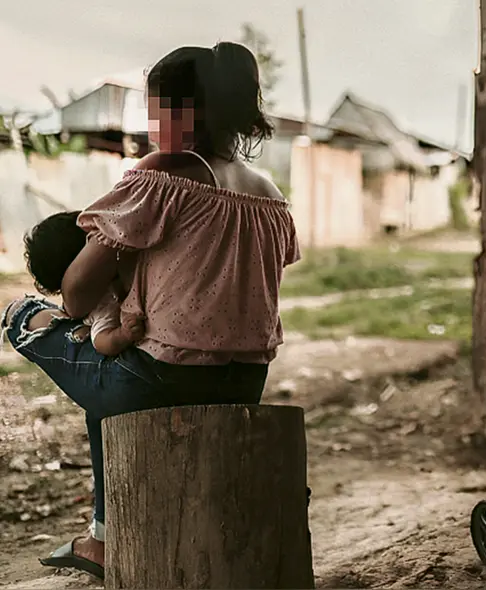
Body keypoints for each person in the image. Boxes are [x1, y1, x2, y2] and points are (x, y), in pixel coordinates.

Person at [0, 41, 300, 580]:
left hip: (161, 381)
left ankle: (104, 539)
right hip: (245, 383)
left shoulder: (162, 174)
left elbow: (76, 292)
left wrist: (109, 259)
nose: (148, 123)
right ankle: (102, 536)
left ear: (185, 113)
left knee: (25, 316)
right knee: (104, 381)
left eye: (154, 109)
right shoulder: (271, 197)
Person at [22, 211, 146, 357]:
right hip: (127, 360)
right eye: (91, 240)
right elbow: (100, 341)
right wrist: (123, 335)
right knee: (19, 312)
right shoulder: (103, 304)